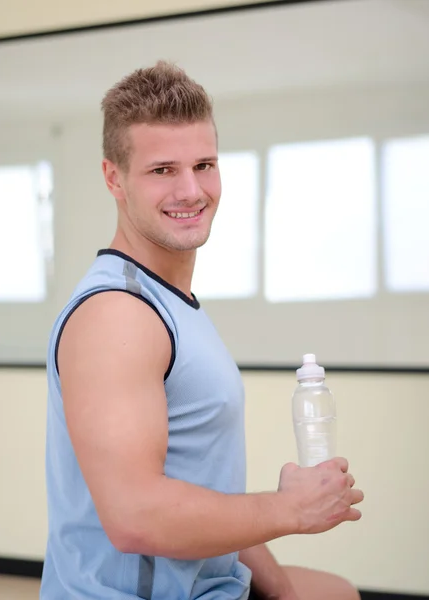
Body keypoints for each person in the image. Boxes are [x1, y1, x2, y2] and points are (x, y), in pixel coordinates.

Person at [40, 60, 364, 600]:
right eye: (163, 170)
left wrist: (280, 589)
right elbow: (136, 518)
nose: (192, 190)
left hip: (206, 582)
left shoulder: (170, 301)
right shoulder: (117, 316)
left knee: (332, 591)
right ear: (113, 178)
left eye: (204, 164)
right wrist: (289, 508)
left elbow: (201, 489)